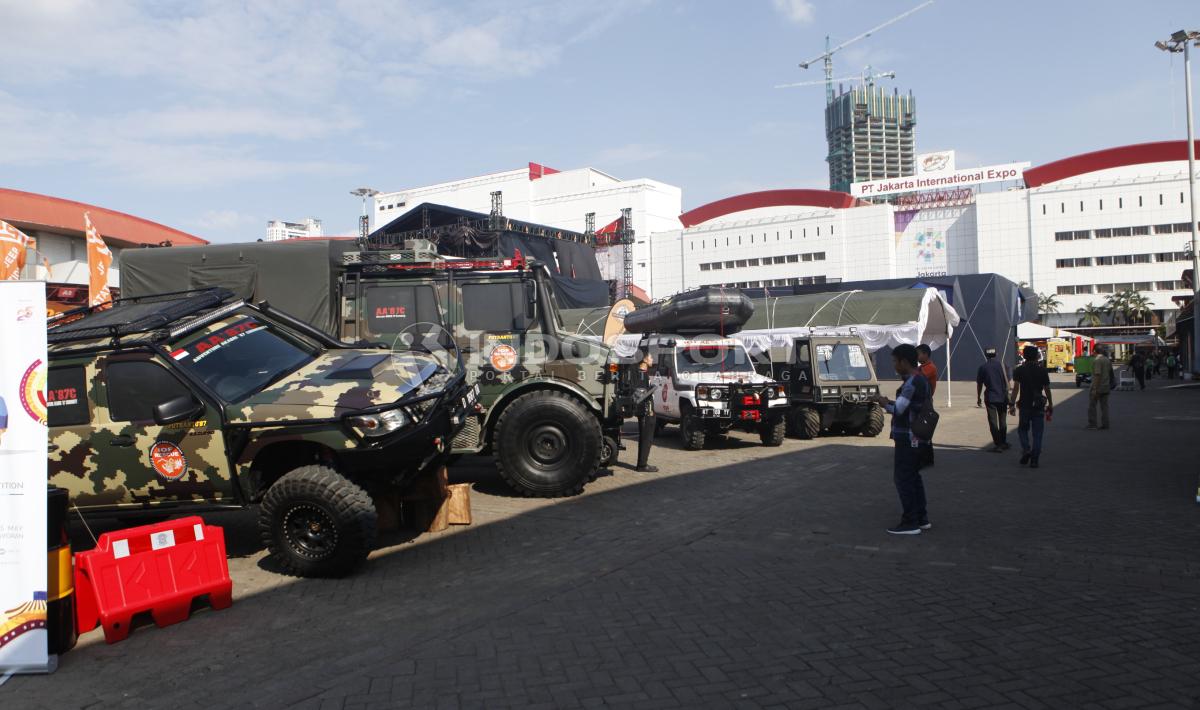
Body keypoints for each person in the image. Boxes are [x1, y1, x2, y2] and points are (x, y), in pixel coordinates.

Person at [872, 344, 931, 536]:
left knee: (903, 478)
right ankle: (921, 518)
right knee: (914, 478)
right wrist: (889, 401)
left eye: (895, 361)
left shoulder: (912, 382)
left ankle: (910, 521)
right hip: (918, 437)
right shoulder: (920, 379)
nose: (894, 365)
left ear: (904, 362)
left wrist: (883, 403)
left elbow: (899, 410)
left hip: (908, 437)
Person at [1009, 344, 1053, 468]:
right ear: (1037, 356)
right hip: (1038, 405)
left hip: (1024, 405)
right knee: (1037, 433)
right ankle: (1034, 459)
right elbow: (1047, 389)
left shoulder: (1019, 370)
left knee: (1022, 430)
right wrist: (1050, 403)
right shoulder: (1042, 370)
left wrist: (1012, 404)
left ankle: (1026, 449)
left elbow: (1016, 389)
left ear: (1024, 356)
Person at [975, 347, 1010, 452]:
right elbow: (1008, 381)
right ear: (996, 354)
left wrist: (978, 397)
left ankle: (998, 444)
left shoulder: (983, 367)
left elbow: (979, 384)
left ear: (986, 355)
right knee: (1003, 421)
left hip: (990, 398)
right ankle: (1003, 442)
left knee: (993, 421)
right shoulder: (1003, 366)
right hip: (1003, 397)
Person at [633, 345, 658, 473]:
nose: (652, 358)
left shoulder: (642, 373)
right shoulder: (641, 374)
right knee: (646, 438)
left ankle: (642, 463)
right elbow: (640, 394)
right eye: (650, 356)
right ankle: (642, 464)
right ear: (644, 359)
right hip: (645, 412)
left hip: (646, 411)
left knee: (646, 438)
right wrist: (652, 388)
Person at [916, 344, 938, 468]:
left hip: (925, 402)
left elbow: (916, 377)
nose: (917, 356)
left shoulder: (930, 368)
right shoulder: (922, 368)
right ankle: (925, 458)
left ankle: (927, 458)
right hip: (921, 401)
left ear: (925, 354)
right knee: (921, 430)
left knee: (924, 431)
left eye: (918, 354)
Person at [1088, 345, 1115, 430]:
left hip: (1098, 387)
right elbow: (1111, 373)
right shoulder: (1107, 360)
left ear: (1095, 351)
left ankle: (1093, 424)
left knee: (1092, 406)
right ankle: (1105, 424)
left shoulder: (1097, 360)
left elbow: (1097, 375)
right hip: (1106, 386)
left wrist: (1095, 389)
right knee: (1104, 407)